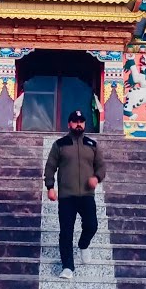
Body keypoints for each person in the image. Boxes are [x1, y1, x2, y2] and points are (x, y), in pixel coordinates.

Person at [44, 110, 106, 279]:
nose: (79, 124)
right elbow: (50, 167)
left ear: (84, 124)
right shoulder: (60, 144)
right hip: (66, 196)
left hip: (87, 195)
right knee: (66, 232)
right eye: (75, 121)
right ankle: (67, 267)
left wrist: (97, 177)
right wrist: (50, 186)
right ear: (69, 124)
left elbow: (101, 166)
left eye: (81, 121)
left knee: (92, 225)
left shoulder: (92, 144)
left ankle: (83, 245)